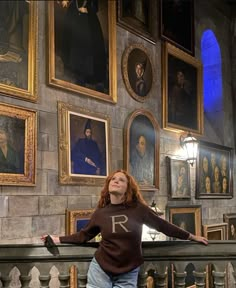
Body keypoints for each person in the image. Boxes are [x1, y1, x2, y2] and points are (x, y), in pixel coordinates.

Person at [41, 169, 208, 288]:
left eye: (121, 180)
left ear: (128, 188)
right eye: (113, 179)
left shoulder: (139, 209)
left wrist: (191, 236)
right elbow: (83, 235)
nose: (116, 181)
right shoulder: (101, 213)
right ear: (108, 186)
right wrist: (57, 239)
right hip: (101, 269)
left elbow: (163, 226)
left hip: (128, 270)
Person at [58, 0, 107, 91]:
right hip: (75, 19)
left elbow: (95, 7)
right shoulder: (73, 6)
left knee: (89, 49)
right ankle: (77, 74)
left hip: (88, 21)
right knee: (74, 45)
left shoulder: (89, 7)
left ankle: (86, 76)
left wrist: (87, 11)